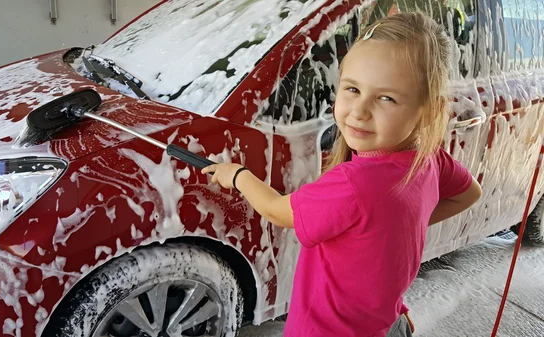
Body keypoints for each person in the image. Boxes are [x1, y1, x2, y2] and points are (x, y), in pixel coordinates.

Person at [202, 11, 482, 337]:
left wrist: (237, 175)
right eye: (352, 89)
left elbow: (276, 210)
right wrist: (393, 228)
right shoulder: (429, 159)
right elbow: (470, 193)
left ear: (429, 110)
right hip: (388, 321)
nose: (360, 111)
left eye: (387, 98)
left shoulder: (354, 184)